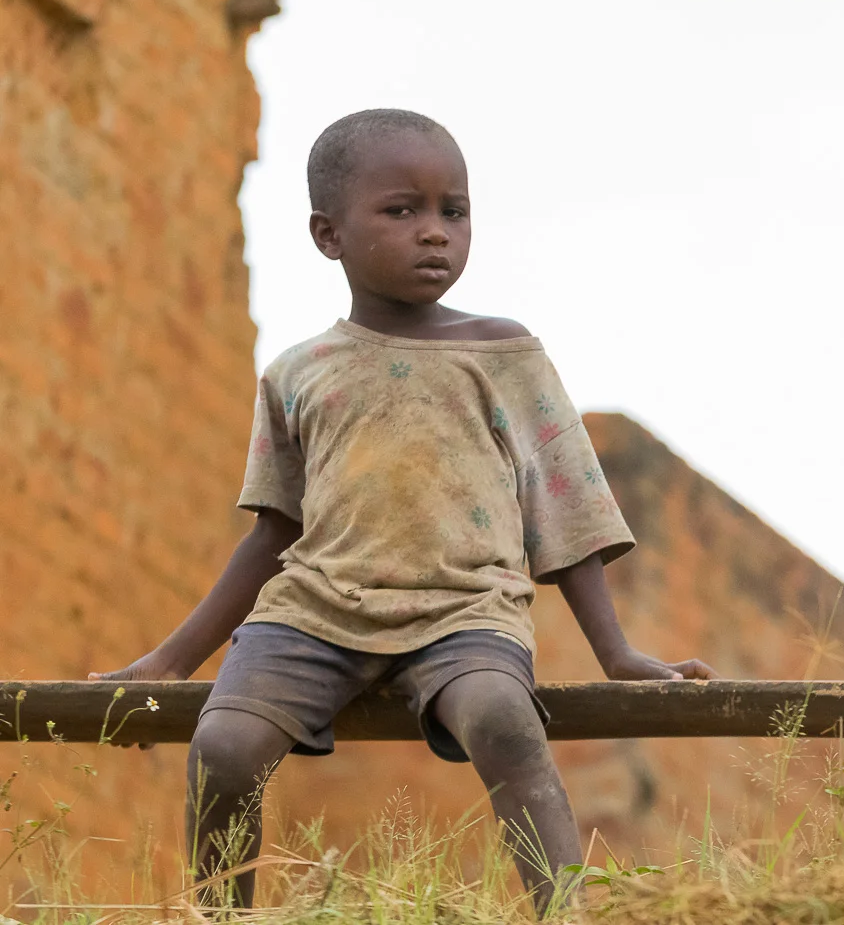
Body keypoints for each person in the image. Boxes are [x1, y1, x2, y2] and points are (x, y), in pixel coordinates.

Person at [91, 108, 716, 910]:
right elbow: (276, 531)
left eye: (452, 211)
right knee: (222, 744)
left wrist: (618, 653)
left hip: (466, 609)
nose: (435, 233)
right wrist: (171, 660)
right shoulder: (297, 373)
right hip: (312, 613)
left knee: (503, 719)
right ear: (329, 234)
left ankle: (567, 910)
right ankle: (221, 913)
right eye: (403, 210)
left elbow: (563, 511)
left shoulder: (504, 352)